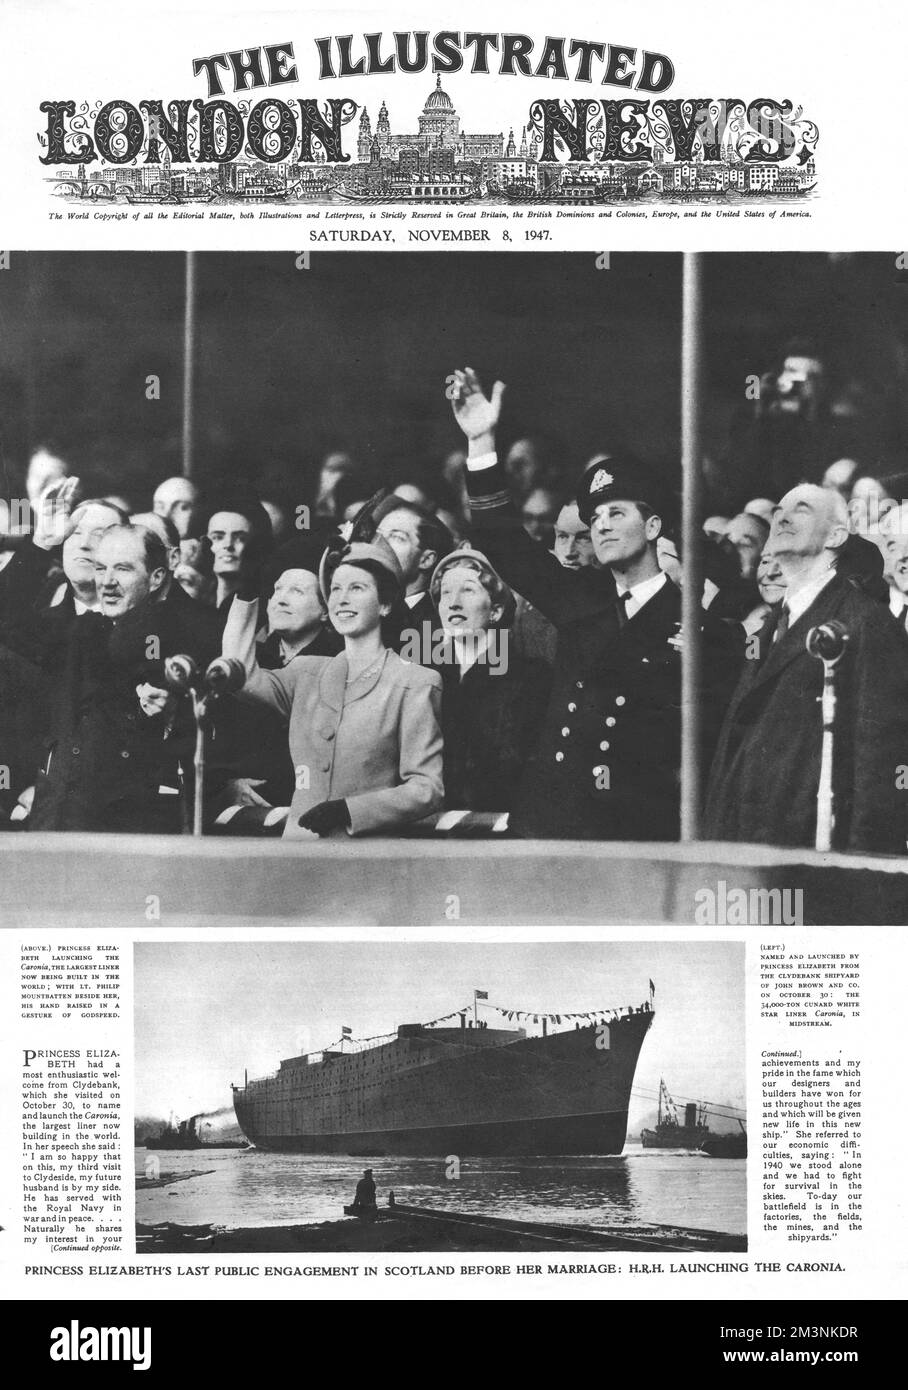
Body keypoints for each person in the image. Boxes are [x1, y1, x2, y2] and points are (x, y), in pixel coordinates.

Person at [447, 366, 739, 840]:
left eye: (616, 512)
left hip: (633, 834)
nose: (600, 525)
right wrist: (481, 442)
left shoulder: (696, 622)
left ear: (652, 527)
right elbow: (502, 541)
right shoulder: (581, 598)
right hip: (550, 821)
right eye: (595, 516)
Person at [705, 484, 908, 853]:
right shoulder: (770, 625)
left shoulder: (866, 622)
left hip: (808, 849)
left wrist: (861, 872)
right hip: (744, 844)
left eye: (802, 509)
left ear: (836, 534)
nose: (782, 515)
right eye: (779, 508)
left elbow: (878, 764)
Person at [221, 536, 443, 838]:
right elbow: (239, 676)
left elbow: (426, 788)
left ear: (386, 604)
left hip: (366, 863)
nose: (342, 598)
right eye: (336, 589)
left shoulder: (415, 682)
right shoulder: (306, 672)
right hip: (299, 857)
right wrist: (247, 595)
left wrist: (351, 810)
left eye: (357, 588)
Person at [430, 544, 550, 813]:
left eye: (468, 590)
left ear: (495, 610)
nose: (453, 602)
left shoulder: (530, 677)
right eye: (445, 592)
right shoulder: (426, 676)